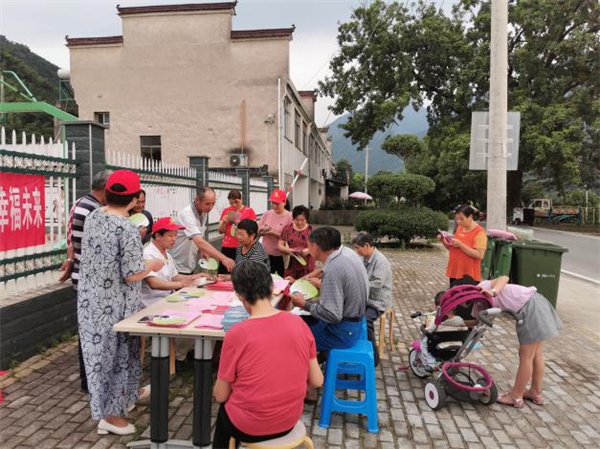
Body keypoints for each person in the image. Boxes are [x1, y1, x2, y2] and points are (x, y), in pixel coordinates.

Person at [78, 170, 165, 435]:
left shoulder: (94, 216)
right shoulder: (127, 228)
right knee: (117, 358)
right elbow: (131, 274)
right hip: (115, 306)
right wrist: (153, 264)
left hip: (90, 301)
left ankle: (126, 397)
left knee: (100, 359)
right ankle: (110, 418)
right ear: (134, 198)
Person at [212, 261, 323, 448]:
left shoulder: (237, 334)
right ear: (272, 288)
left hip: (250, 426)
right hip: (289, 419)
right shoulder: (299, 324)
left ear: (239, 295)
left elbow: (220, 395)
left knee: (225, 411)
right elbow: (317, 381)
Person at [59, 170, 112, 393]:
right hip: (91, 280)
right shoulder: (93, 210)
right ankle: (90, 382)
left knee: (91, 332)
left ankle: (90, 380)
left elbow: (72, 240)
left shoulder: (82, 203)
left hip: (84, 276)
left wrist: (71, 259)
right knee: (92, 333)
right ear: (106, 189)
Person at [474, 276, 563, 409]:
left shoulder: (481, 287)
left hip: (530, 308)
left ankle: (515, 396)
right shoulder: (477, 303)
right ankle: (535, 391)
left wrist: (493, 291)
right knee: (537, 354)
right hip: (537, 302)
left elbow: (504, 278)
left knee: (526, 356)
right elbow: (478, 322)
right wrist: (455, 323)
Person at [140, 217, 205, 307]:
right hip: (152, 304)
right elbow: (153, 283)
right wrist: (181, 284)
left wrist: (194, 277)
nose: (174, 239)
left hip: (167, 300)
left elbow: (174, 277)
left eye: (176, 235)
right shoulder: (148, 253)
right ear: (158, 236)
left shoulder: (167, 254)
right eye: (170, 236)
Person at [171, 187, 235, 275]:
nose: (211, 207)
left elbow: (199, 233)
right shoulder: (187, 215)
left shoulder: (203, 212)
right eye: (207, 204)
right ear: (197, 200)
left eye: (213, 203)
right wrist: (223, 258)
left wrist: (202, 250)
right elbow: (199, 241)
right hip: (176, 265)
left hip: (188, 264)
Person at [351, 232, 393, 367]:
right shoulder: (364, 258)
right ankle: (355, 347)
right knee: (347, 312)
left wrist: (357, 284)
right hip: (366, 299)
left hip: (378, 301)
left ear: (367, 245)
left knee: (365, 320)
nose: (356, 251)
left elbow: (377, 284)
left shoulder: (380, 261)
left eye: (357, 248)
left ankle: (373, 358)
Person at [439, 205, 487, 286]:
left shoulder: (479, 232)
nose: (459, 222)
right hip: (455, 271)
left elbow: (479, 255)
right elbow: (453, 249)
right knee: (453, 293)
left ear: (470, 217)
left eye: (461, 219)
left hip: (469, 276)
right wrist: (443, 240)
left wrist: (461, 245)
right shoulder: (460, 228)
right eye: (457, 219)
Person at [217, 189, 256, 275]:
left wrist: (240, 224)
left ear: (241, 199)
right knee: (224, 272)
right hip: (227, 246)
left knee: (242, 273)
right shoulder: (226, 211)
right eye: (231, 203)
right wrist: (223, 222)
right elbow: (220, 231)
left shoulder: (249, 211)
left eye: (236, 202)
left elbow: (254, 230)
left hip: (243, 246)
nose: (234, 205)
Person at [258, 189, 292, 277]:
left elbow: (291, 238)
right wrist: (262, 230)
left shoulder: (290, 216)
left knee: (283, 279)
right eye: (273, 203)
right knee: (266, 278)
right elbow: (257, 231)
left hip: (282, 256)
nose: (274, 206)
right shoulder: (266, 214)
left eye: (277, 203)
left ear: (284, 202)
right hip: (266, 253)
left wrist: (274, 233)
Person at [277, 205, 315, 281]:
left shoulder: (311, 230)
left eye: (303, 220)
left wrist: (308, 250)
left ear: (307, 219)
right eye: (297, 220)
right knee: (289, 284)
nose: (300, 222)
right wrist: (288, 250)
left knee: (305, 285)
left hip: (306, 264)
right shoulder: (287, 228)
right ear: (293, 218)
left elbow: (317, 246)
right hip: (291, 264)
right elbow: (280, 245)